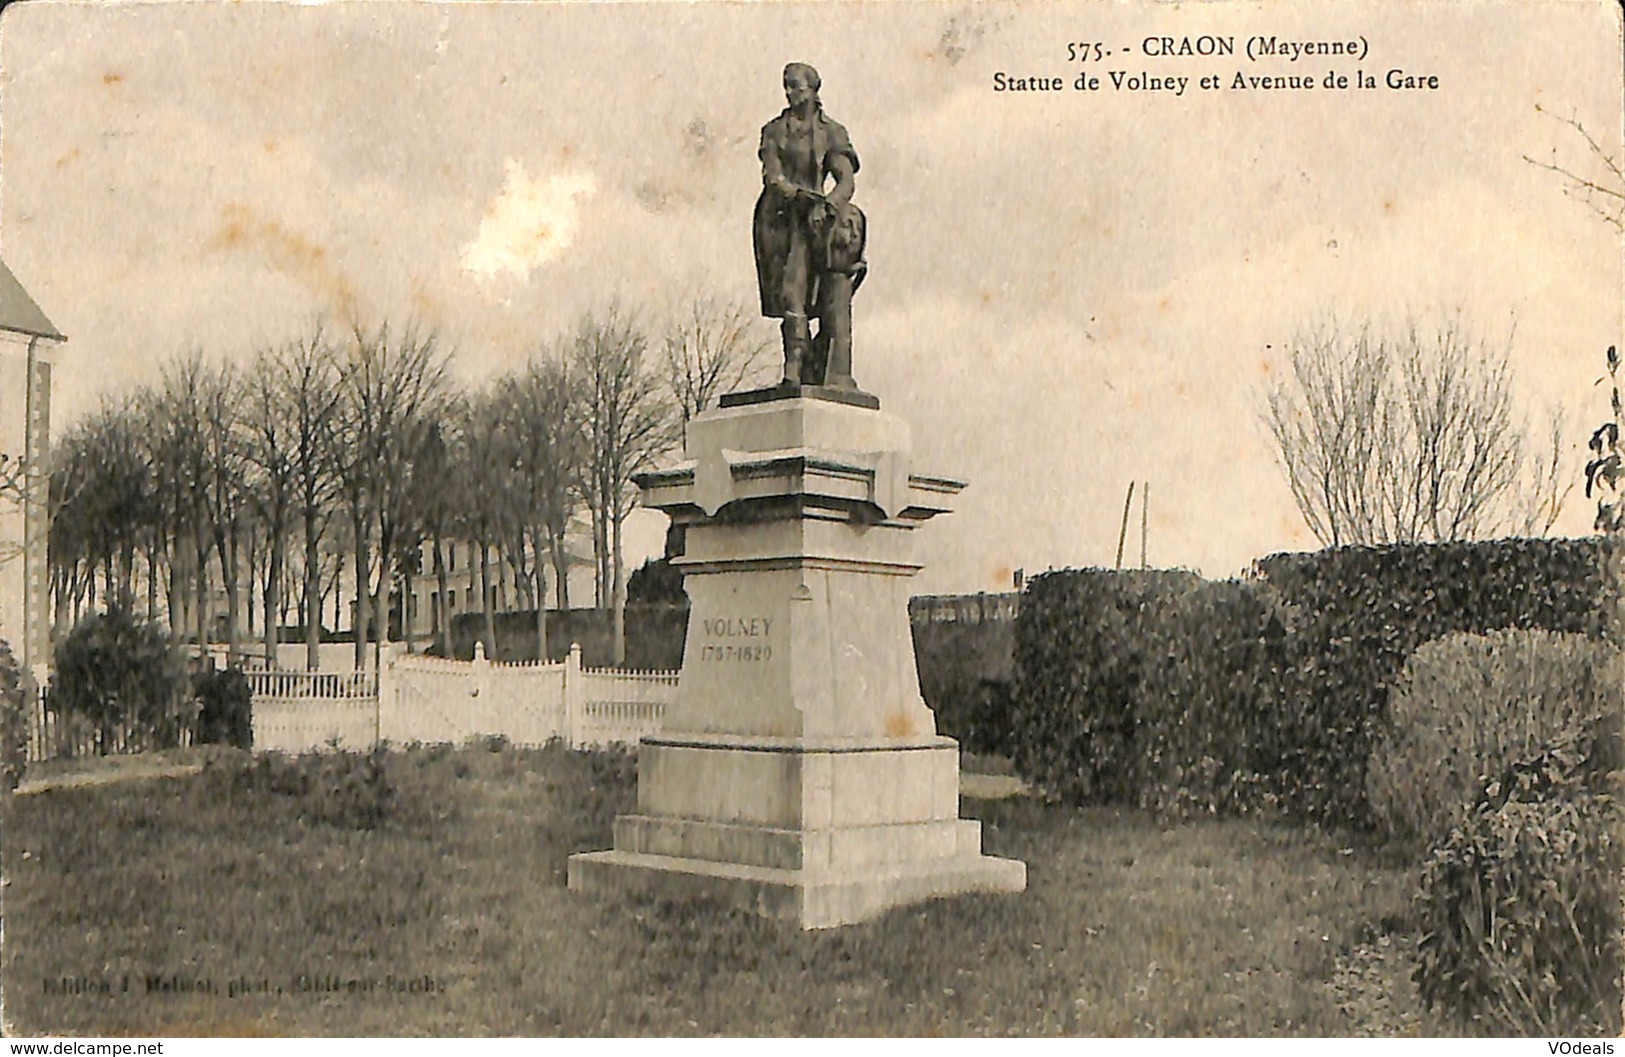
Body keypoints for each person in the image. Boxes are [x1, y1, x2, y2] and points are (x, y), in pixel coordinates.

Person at [753, 62, 868, 389]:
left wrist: (828, 205)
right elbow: (773, 176)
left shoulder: (832, 132)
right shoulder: (773, 131)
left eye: (796, 87)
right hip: (778, 219)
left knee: (814, 291)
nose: (790, 93)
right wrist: (801, 197)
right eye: (786, 86)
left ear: (813, 89)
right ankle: (793, 368)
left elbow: (845, 179)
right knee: (791, 293)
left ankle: (812, 367)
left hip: (817, 222)